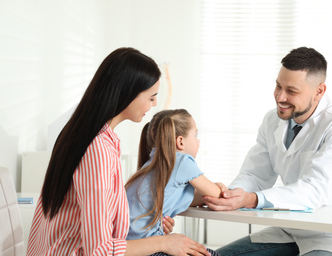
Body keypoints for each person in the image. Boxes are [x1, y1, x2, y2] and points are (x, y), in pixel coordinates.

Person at [27, 47, 212, 256]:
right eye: (151, 97)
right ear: (128, 93)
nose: (154, 104)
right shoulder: (98, 150)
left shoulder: (84, 136)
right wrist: (163, 243)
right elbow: (100, 250)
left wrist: (149, 226)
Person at [203, 47, 332, 256]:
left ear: (319, 91)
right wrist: (230, 196)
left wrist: (251, 199)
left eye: (292, 91)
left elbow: (314, 190)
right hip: (292, 230)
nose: (280, 97)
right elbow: (255, 176)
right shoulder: (272, 120)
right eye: (278, 86)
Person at [125, 109, 221, 255]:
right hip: (149, 250)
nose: (198, 141)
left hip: (130, 248)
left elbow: (192, 199)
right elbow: (217, 195)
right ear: (180, 141)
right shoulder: (181, 160)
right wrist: (220, 187)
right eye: (196, 135)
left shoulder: (151, 165)